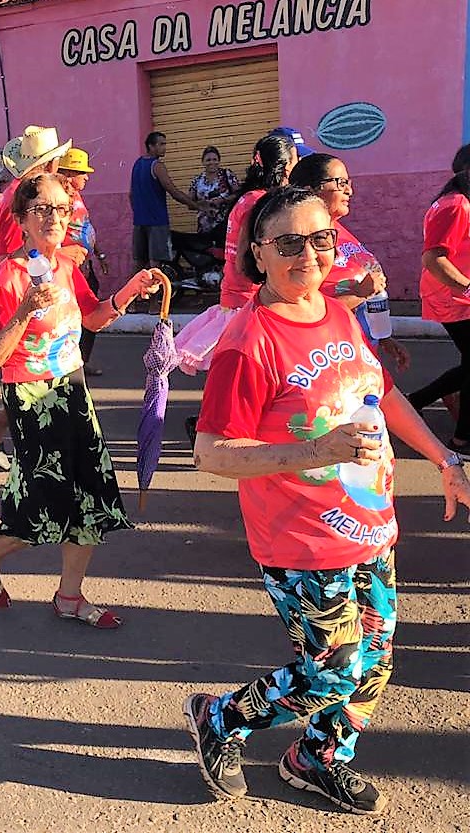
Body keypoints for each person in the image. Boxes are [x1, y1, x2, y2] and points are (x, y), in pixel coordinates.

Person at [184, 186, 470, 814]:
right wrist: (319, 450)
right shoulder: (249, 339)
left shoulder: (336, 314)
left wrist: (444, 460)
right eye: (289, 243)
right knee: (335, 667)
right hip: (301, 540)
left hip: (370, 528)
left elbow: (383, 393)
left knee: (374, 665)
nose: (308, 255)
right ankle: (221, 717)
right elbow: (211, 453)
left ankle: (318, 757)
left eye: (321, 240)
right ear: (258, 254)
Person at [0, 172, 163, 627]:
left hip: (72, 389)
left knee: (91, 496)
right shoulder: (10, 276)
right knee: (46, 502)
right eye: (42, 209)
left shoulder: (67, 267)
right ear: (22, 219)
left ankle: (69, 596)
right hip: (31, 396)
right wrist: (25, 310)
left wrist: (131, 290)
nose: (55, 217)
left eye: (61, 208)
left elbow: (92, 318)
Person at [176, 133, 298, 443]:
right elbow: (247, 257)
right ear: (285, 166)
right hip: (251, 298)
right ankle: (214, 428)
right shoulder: (261, 202)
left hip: (238, 294)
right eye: (295, 160)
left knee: (243, 371)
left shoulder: (247, 198)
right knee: (252, 371)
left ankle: (217, 425)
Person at [0, 125, 74, 471]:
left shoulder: (24, 193)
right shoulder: (25, 200)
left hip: (28, 276)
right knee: (27, 369)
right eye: (56, 159)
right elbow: (26, 250)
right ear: (47, 162)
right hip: (22, 279)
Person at [288, 152, 410, 372]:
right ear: (310, 191)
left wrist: (382, 336)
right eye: (340, 183)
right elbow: (299, 310)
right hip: (328, 356)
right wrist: (360, 294)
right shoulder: (300, 244)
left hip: (359, 347)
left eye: (349, 183)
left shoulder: (337, 230)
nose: (349, 191)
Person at [409, 144, 470, 459]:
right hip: (454, 300)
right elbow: (434, 258)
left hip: (457, 297)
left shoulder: (458, 202)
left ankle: (416, 401)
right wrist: (468, 287)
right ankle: (461, 441)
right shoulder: (456, 204)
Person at [58, 148, 110, 376]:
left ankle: (80, 360)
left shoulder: (76, 196)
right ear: (69, 174)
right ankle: (69, 363)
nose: (86, 177)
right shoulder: (59, 198)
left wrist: (99, 254)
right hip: (68, 268)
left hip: (85, 266)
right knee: (75, 316)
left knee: (89, 312)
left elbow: (85, 226)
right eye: (82, 173)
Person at [130, 131, 199, 270]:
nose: (164, 148)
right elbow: (173, 191)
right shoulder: (157, 166)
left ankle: (135, 285)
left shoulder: (137, 164)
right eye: (161, 144)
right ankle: (157, 286)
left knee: (140, 264)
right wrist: (194, 205)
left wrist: (138, 213)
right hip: (157, 222)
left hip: (139, 222)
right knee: (156, 264)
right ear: (151, 146)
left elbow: (131, 195)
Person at [189, 146, 239, 235]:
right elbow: (189, 204)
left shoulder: (227, 175)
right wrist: (202, 204)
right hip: (204, 228)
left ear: (219, 161)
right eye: (208, 160)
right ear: (203, 162)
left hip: (225, 225)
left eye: (214, 159)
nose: (212, 162)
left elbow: (239, 195)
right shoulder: (197, 180)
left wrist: (222, 200)